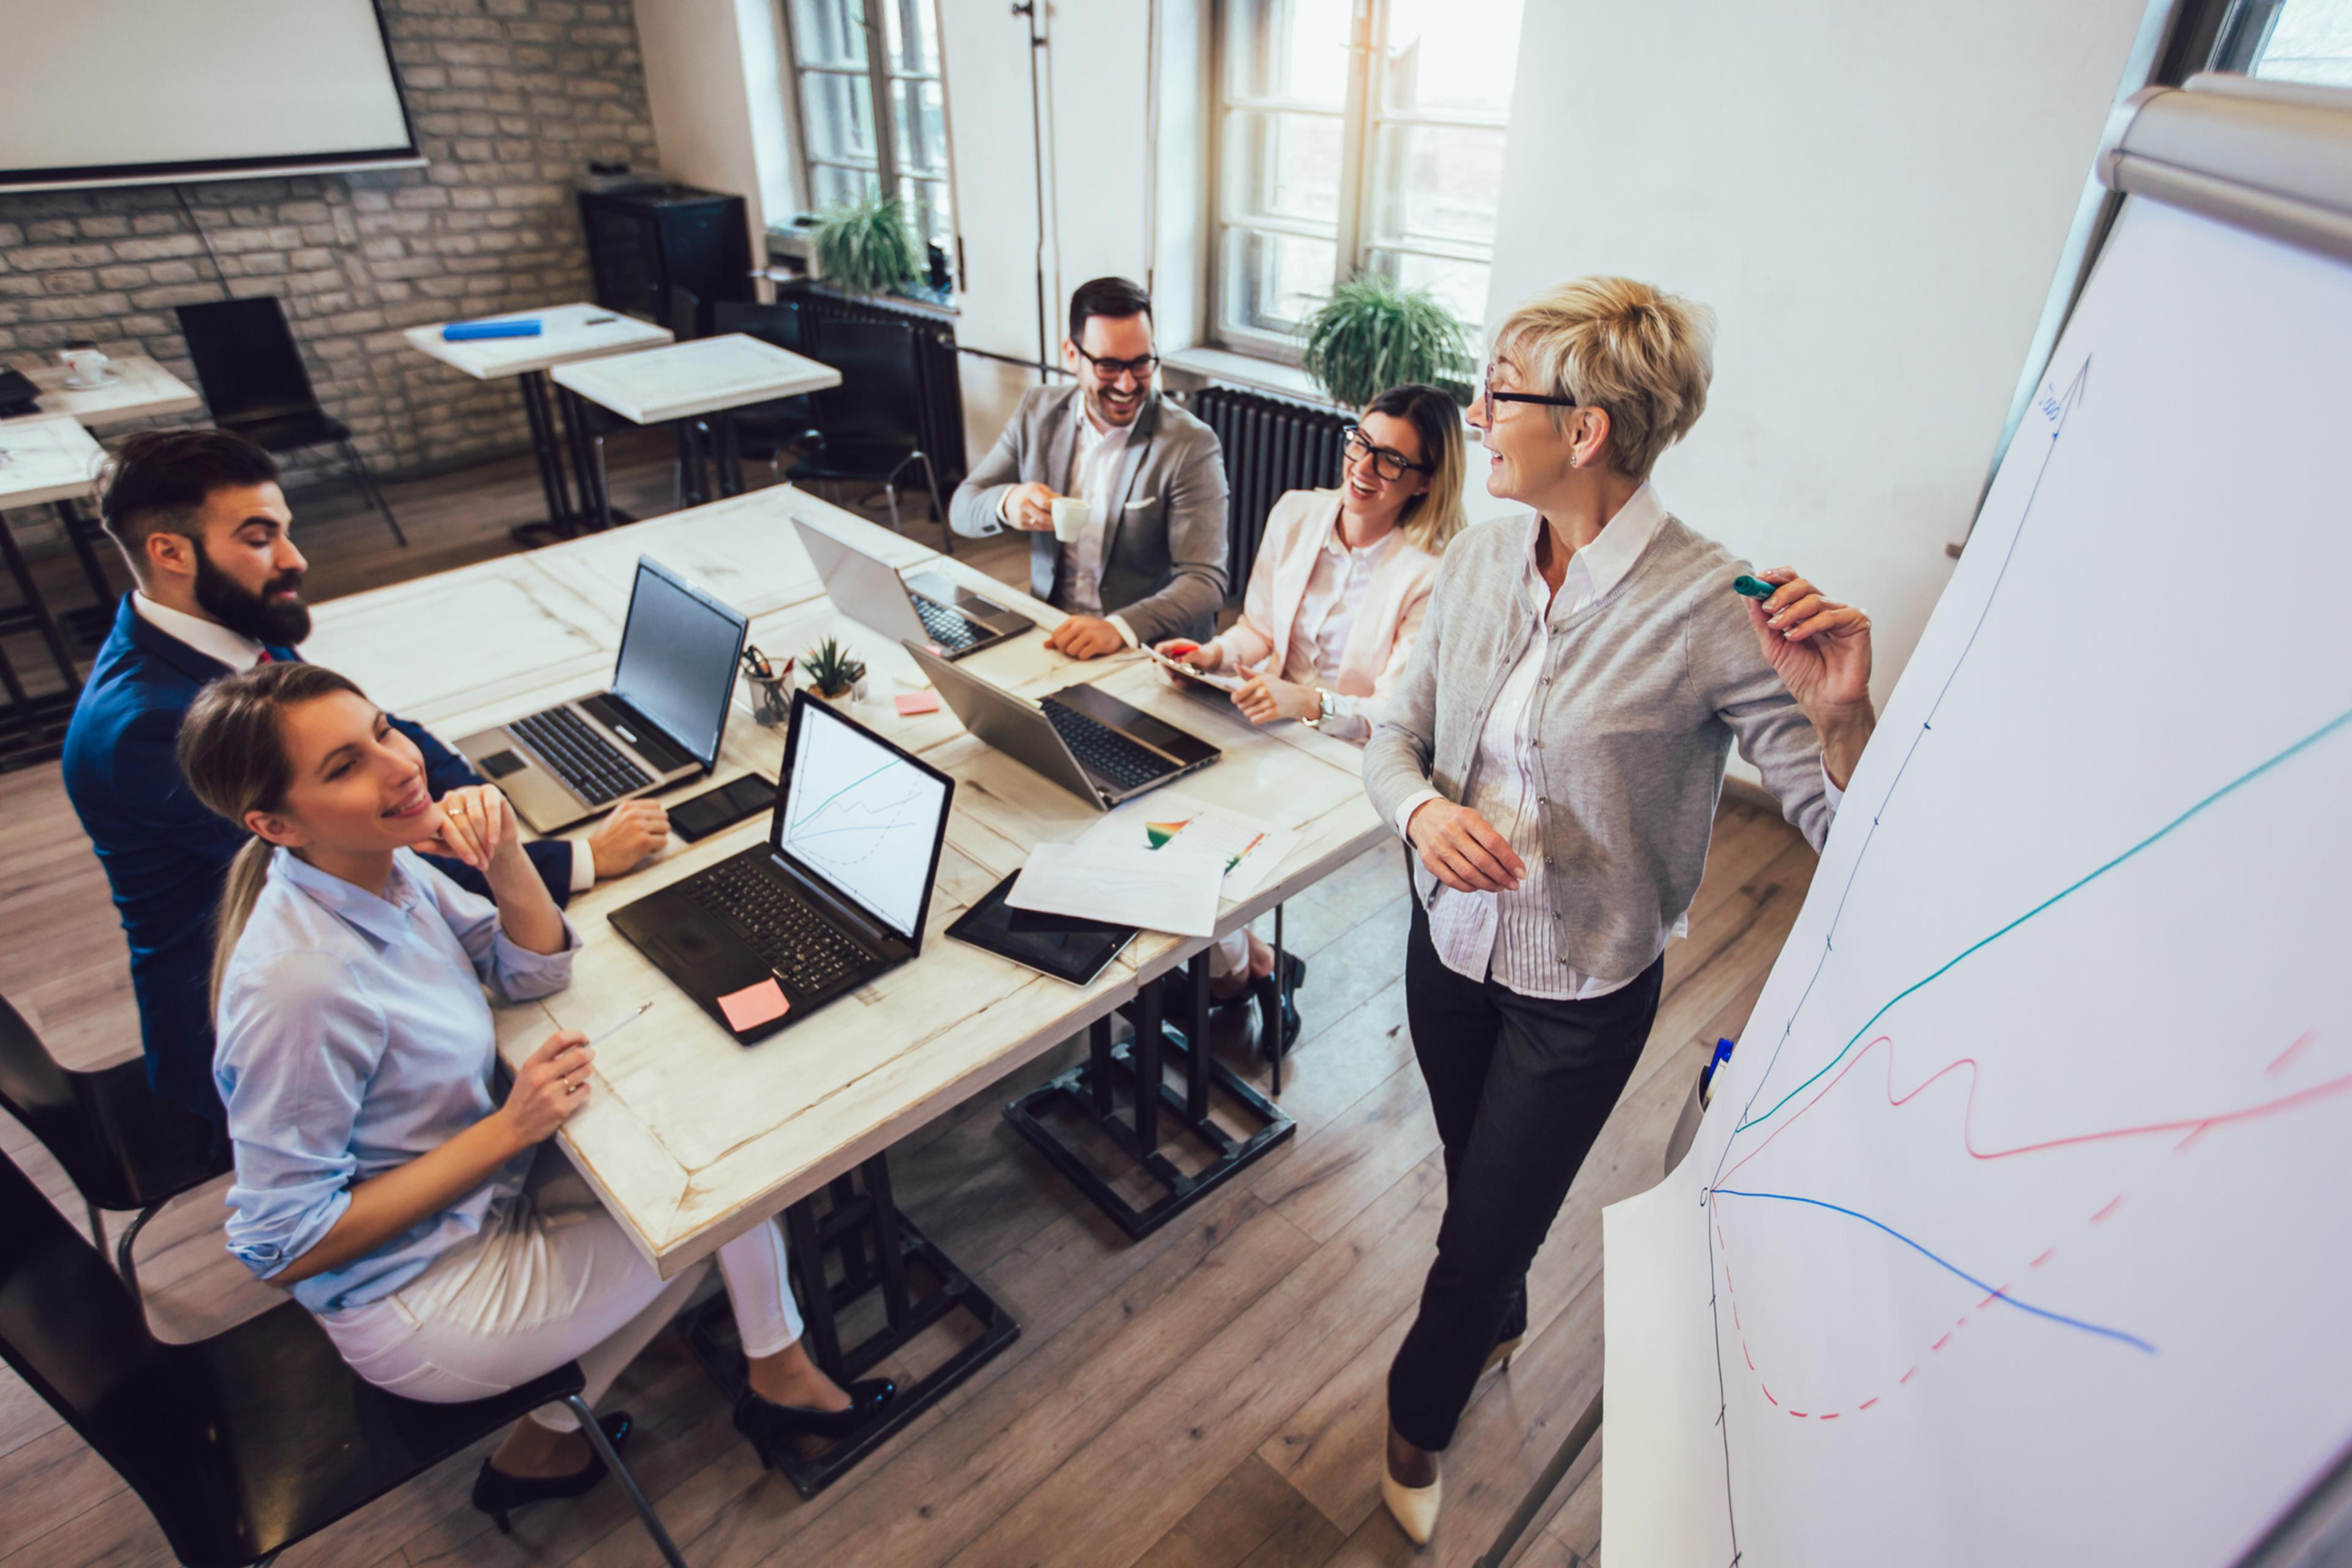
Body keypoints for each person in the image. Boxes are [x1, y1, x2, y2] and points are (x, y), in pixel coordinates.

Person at [1359, 278, 1878, 1545]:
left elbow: (1844, 830)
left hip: (1580, 992)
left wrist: (1842, 715)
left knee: (1475, 1239)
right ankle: (1504, 1303)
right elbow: (1392, 734)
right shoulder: (1482, 554)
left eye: (1501, 390)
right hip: (1447, 948)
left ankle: (1416, 1415)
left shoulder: (1719, 608)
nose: (1477, 412)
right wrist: (1424, 816)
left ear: (1584, 428)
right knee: (1480, 1180)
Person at [178, 662, 893, 1523]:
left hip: (476, 1205)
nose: (400, 764)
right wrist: (509, 1132)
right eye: (344, 766)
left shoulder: (379, 870)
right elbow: (280, 1249)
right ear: (275, 823)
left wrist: (507, 853)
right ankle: (784, 1386)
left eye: (382, 729)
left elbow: (527, 970)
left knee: (703, 1167)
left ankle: (556, 1440)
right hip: (419, 1297)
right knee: (725, 1197)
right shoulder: (300, 983)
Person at [60, 429, 670, 1121]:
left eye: (286, 531)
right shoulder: (148, 729)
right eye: (261, 538)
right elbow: (362, 849)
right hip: (283, 1048)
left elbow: (387, 729)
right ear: (169, 551)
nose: (295, 558)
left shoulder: (232, 627)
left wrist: (469, 801)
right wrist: (584, 857)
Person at [1153, 383, 1469, 1042]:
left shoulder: (1433, 572)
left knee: (1211, 843)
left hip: (1347, 757)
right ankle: (1251, 967)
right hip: (1259, 719)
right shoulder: (1297, 512)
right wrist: (1212, 653)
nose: (1362, 468)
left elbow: (1397, 711)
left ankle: (1235, 972)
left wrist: (1311, 702)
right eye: (1361, 443)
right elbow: (1260, 632)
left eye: (1390, 460)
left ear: (1425, 481)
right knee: (1160, 810)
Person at [949, 276, 1229, 656]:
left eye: (1141, 363)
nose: (1128, 385)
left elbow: (1205, 580)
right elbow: (962, 509)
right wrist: (1008, 502)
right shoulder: (1038, 412)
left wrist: (1118, 628)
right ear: (1072, 354)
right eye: (1109, 366)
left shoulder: (1190, 444)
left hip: (1145, 648)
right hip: (1054, 630)